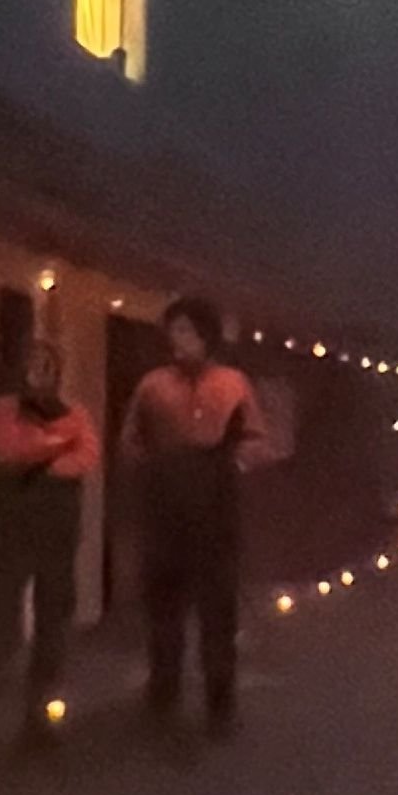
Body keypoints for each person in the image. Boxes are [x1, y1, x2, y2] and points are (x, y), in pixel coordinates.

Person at [0, 339, 100, 751]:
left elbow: (87, 455)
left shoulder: (76, 413)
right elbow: (11, 449)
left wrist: (52, 457)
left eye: (47, 366)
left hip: (59, 539)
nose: (40, 373)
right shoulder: (4, 411)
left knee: (53, 631)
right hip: (14, 538)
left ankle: (40, 721)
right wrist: (56, 446)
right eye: (33, 365)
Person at [119, 295, 271, 736]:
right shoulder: (152, 386)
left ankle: (220, 708)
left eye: (186, 330)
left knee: (217, 616)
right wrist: (153, 468)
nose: (177, 339)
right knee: (165, 613)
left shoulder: (233, 384)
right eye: (173, 330)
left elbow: (259, 439)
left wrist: (229, 464)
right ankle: (162, 702)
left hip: (216, 511)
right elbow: (129, 440)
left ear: (205, 335)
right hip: (166, 508)